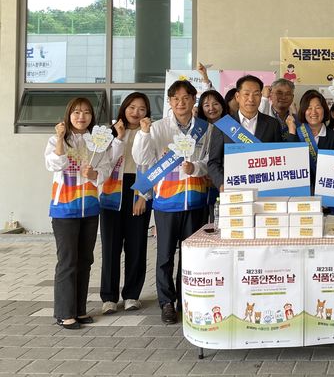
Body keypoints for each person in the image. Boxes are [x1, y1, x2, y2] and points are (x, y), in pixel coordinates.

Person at [132, 80, 211, 324]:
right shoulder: (157, 128)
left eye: (185, 98)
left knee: (190, 257)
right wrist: (143, 133)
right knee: (165, 257)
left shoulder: (204, 129)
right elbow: (141, 158)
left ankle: (185, 300)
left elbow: (209, 160)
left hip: (196, 201)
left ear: (193, 100)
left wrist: (194, 167)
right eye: (175, 99)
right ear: (169, 102)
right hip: (167, 201)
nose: (180, 102)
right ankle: (166, 303)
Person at [45, 97, 113, 329]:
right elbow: (55, 164)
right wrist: (61, 141)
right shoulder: (57, 140)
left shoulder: (97, 141)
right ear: (68, 115)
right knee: (67, 261)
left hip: (90, 208)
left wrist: (94, 174)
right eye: (76, 112)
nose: (81, 117)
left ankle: (80, 309)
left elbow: (106, 169)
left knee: (85, 259)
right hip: (64, 209)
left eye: (86, 112)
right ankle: (64, 313)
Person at [99, 92, 153, 315]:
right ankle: (109, 298)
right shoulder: (108, 133)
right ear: (124, 108)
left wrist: (143, 195)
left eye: (141, 108)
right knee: (110, 247)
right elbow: (104, 164)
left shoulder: (151, 131)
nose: (136, 112)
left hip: (137, 187)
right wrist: (118, 137)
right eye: (132, 107)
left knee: (136, 245)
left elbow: (152, 165)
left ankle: (132, 295)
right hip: (112, 190)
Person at [207, 75, 283, 191]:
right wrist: (222, 183)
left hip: (265, 190)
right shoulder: (223, 125)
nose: (251, 99)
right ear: (237, 96)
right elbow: (213, 162)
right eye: (246, 94)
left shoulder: (272, 124)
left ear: (261, 96)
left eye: (256, 94)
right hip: (233, 190)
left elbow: (279, 159)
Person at [286, 90, 334, 194]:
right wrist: (292, 131)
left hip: (328, 194)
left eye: (318, 107)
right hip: (301, 195)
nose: (313, 112)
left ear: (324, 110)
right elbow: (290, 164)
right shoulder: (295, 134)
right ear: (303, 111)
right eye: (309, 108)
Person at [197, 90, 228, 222]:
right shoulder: (197, 128)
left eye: (215, 104)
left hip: (222, 181)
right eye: (206, 105)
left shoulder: (231, 125)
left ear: (222, 105)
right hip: (200, 182)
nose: (211, 108)